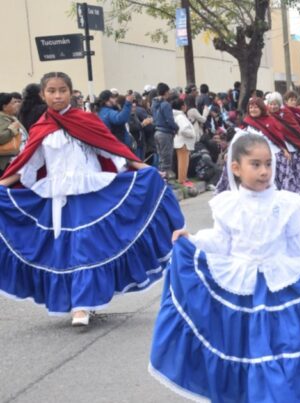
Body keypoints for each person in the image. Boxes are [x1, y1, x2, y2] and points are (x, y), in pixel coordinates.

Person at [148, 133, 300, 402]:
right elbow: (221, 241)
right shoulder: (228, 205)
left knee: (283, 348)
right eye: (255, 164)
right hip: (241, 289)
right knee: (247, 352)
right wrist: (193, 241)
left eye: (268, 164)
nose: (264, 171)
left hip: (279, 287)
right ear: (236, 168)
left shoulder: (285, 203)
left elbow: (297, 239)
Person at [0, 72, 184, 326]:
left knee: (85, 248)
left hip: (90, 195)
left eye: (62, 90)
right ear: (43, 95)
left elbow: (110, 149)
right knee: (65, 253)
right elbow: (28, 164)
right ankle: (75, 302)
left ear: (71, 92)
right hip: (58, 197)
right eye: (51, 91)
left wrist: (144, 169)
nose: (57, 95)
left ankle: (82, 306)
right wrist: (3, 184)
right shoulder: (41, 127)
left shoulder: (86, 120)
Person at [152, 83, 179, 180]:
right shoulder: (166, 104)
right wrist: (176, 128)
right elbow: (170, 120)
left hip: (157, 132)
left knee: (161, 158)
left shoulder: (154, 103)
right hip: (165, 133)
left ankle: (161, 180)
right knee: (167, 159)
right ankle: (166, 181)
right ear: (166, 92)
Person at [171, 96, 196, 186]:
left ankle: (184, 178)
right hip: (183, 142)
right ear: (182, 107)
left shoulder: (178, 116)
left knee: (184, 161)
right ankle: (182, 180)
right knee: (183, 162)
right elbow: (183, 129)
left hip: (182, 142)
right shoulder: (180, 116)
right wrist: (192, 134)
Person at [0, 93, 24, 173]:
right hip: (5, 163)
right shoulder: (2, 119)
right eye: (13, 103)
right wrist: (12, 130)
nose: (17, 105)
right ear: (4, 107)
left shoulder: (12, 118)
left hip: (15, 159)